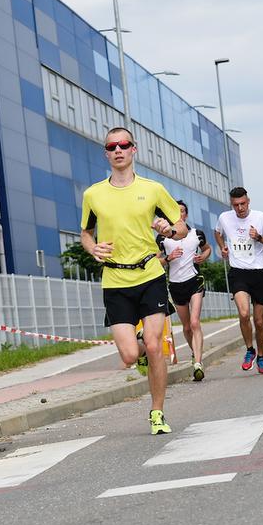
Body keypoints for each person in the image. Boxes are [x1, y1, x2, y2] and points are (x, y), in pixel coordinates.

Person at [81, 127, 187, 435]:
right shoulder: (93, 194)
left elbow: (181, 228)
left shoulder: (153, 189)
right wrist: (93, 248)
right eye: (112, 146)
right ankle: (140, 352)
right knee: (129, 355)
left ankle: (157, 412)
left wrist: (168, 230)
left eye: (123, 145)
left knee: (155, 345)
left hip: (149, 274)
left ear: (133, 150)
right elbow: (86, 233)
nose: (118, 150)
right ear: (106, 153)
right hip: (115, 279)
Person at [215, 187, 263, 374]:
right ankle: (249, 350)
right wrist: (223, 247)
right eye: (236, 205)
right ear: (231, 204)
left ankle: (260, 356)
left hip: (259, 273)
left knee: (259, 322)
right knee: (244, 314)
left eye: (243, 204)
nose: (240, 208)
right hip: (238, 272)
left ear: (248, 201)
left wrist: (258, 237)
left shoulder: (261, 218)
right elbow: (217, 233)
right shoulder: (225, 218)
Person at [156, 200, 211, 381]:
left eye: (182, 211)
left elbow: (207, 249)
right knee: (187, 327)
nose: (179, 214)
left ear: (186, 215)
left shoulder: (197, 234)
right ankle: (195, 354)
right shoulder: (162, 238)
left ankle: (198, 363)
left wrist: (202, 257)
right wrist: (168, 258)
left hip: (194, 280)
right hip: (175, 284)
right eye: (175, 211)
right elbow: (156, 261)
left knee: (195, 323)